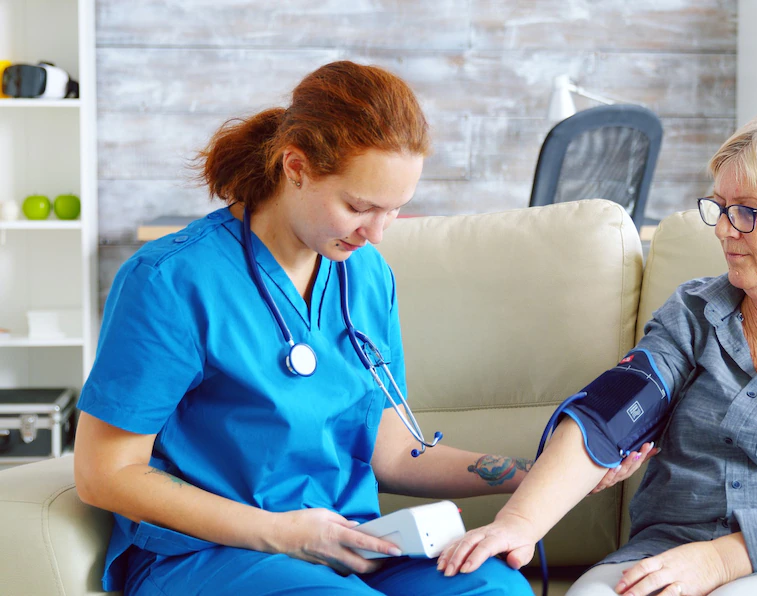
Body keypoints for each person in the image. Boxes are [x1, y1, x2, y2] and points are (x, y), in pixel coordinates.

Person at [74, 60, 551, 595]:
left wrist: (538, 474)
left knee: (494, 587)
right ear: (295, 167)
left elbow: (389, 455)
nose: (375, 232)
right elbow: (104, 472)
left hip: (351, 543)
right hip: (211, 553)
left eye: (395, 211)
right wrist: (282, 534)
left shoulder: (366, 274)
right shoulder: (171, 280)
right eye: (358, 206)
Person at [438, 109, 757, 596]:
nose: (722, 229)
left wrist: (720, 560)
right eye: (718, 207)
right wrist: (520, 523)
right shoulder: (693, 313)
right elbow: (612, 414)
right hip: (667, 550)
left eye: (745, 211)